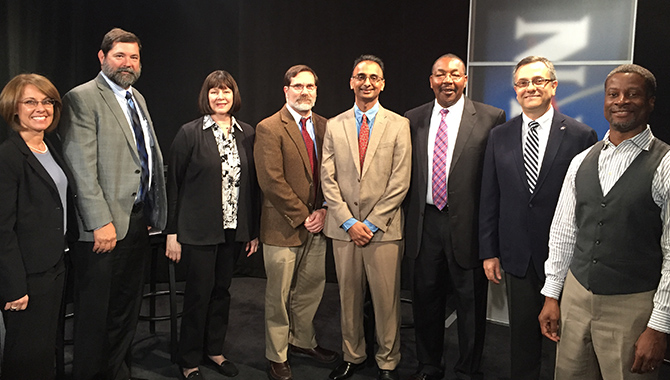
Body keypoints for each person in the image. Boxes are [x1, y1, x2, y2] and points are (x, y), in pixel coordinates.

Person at [538, 64, 670, 379]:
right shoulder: (581, 161)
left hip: (632, 306)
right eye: (613, 94)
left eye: (632, 94)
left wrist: (660, 325)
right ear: (605, 101)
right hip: (576, 297)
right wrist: (552, 295)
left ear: (650, 101)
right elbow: (563, 233)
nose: (621, 101)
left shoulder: (664, 164)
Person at [478, 56, 597, 380]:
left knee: (568, 342)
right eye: (522, 82)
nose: (530, 87)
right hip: (517, 255)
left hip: (567, 258)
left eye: (538, 81)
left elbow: (588, 202)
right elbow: (490, 196)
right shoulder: (499, 135)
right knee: (522, 340)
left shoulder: (580, 135)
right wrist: (489, 250)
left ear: (553, 86)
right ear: (516, 89)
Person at [60, 28, 167, 380]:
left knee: (125, 309)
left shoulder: (138, 98)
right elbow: (80, 165)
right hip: (103, 228)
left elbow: (144, 157)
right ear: (102, 57)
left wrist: (151, 207)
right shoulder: (82, 97)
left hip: (136, 222)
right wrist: (98, 222)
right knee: (95, 315)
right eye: (120, 55)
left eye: (134, 57)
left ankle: (117, 371)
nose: (127, 63)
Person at [404, 54, 506, 380]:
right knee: (425, 300)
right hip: (425, 222)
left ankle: (468, 369)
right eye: (439, 74)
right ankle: (429, 364)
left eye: (454, 74)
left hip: (470, 226)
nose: (447, 80)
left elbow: (495, 181)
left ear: (465, 79)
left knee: (471, 304)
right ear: (430, 80)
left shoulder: (491, 118)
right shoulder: (413, 118)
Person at [165, 70, 260, 379]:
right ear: (206, 97)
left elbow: (253, 185)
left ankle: (214, 350)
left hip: (232, 230)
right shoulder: (189, 133)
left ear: (235, 96)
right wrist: (172, 232)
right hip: (198, 230)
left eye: (226, 91)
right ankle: (189, 359)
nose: (221, 97)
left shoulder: (246, 133)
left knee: (222, 292)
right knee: (198, 295)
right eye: (214, 91)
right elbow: (174, 184)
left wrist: (252, 231)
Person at [321, 54, 411, 380]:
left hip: (383, 231)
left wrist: (370, 224)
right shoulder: (334, 125)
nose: (367, 82)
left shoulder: (399, 125)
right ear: (351, 82)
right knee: (348, 298)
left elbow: (400, 181)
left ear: (382, 83)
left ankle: (387, 361)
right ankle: (353, 355)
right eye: (361, 76)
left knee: (387, 302)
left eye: (374, 77)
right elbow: (327, 179)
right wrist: (348, 221)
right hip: (344, 229)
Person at [254, 64, 337, 380]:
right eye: (298, 86)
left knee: (311, 289)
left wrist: (326, 211)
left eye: (311, 87)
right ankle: (276, 355)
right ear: (286, 90)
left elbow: (333, 175)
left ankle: (302, 341)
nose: (305, 92)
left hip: (319, 225)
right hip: (283, 227)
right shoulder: (270, 127)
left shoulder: (325, 126)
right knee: (279, 296)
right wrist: (305, 217)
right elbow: (271, 181)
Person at [0, 74, 77, 380]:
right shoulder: (8, 156)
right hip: (26, 276)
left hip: (55, 266)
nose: (41, 108)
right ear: (13, 108)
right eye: (30, 101)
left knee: (46, 349)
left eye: (47, 101)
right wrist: (13, 285)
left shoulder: (50, 146)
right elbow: (2, 229)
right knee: (25, 356)